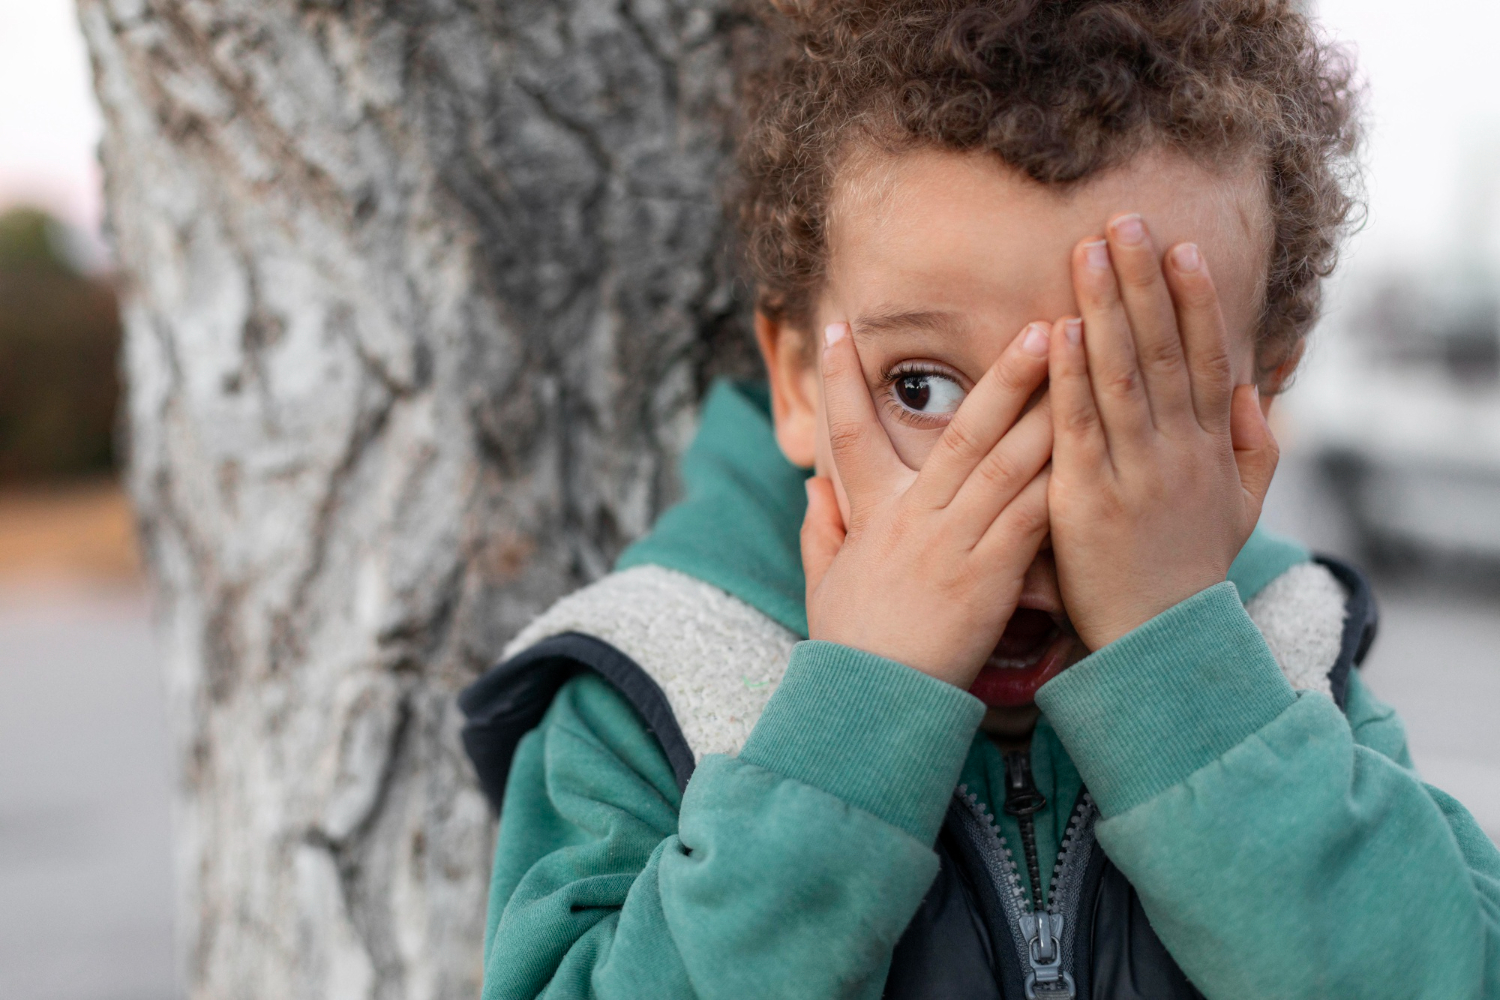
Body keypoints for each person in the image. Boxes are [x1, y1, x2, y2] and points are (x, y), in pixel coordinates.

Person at [460, 1, 1500, 997]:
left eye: (1129, 395)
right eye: (922, 388)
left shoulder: (1286, 667)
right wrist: (850, 731)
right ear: (791, 381)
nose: (1032, 494)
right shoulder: (660, 689)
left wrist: (1191, 691)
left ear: (1260, 396)